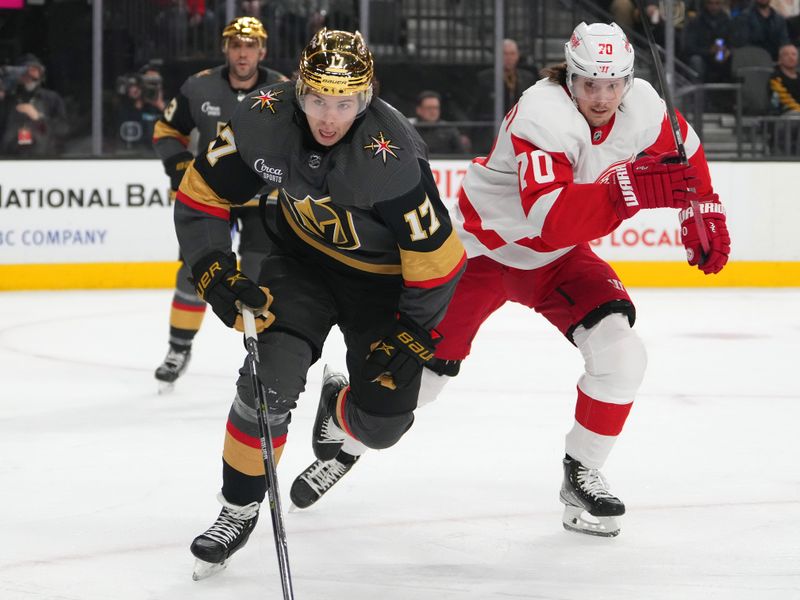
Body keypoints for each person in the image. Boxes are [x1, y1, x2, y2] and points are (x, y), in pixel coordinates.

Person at [290, 22, 731, 539]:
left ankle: (580, 474)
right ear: (570, 76)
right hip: (482, 252)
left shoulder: (645, 104)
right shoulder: (542, 111)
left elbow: (688, 149)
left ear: (628, 80)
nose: (603, 96)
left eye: (614, 84)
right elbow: (552, 218)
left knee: (622, 354)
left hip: (556, 260)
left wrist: (704, 207)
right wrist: (631, 190)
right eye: (590, 83)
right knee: (420, 385)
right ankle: (345, 431)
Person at [175, 28, 465, 578]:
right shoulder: (262, 116)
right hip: (301, 264)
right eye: (315, 100)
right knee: (268, 385)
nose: (328, 117)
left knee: (383, 424)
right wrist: (213, 268)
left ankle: (338, 410)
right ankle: (237, 507)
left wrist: (412, 329)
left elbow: (438, 258)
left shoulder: (393, 154)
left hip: (382, 286)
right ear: (297, 90)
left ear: (368, 96)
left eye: (345, 102)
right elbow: (201, 193)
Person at [152, 16, 288, 391]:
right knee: (194, 272)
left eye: (250, 46)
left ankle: (262, 355)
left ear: (262, 51)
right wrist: (180, 165)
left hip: (265, 198)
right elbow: (167, 130)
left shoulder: (283, 90)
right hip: (211, 195)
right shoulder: (198, 87)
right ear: (226, 50)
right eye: (236, 46)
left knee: (261, 274)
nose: (243, 54)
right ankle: (178, 349)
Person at [472, 38, 538, 152]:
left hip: (520, 132)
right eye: (505, 54)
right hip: (491, 132)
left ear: (518, 56)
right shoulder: (483, 78)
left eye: (512, 54)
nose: (509, 58)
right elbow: (474, 107)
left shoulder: (528, 78)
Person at [0, 55, 67, 156]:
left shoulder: (51, 99)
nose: (28, 76)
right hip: (9, 162)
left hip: (43, 161)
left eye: (33, 71)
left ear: (41, 74)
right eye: (23, 71)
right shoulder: (8, 100)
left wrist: (38, 117)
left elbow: (62, 131)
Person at [114, 63, 166, 154]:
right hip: (134, 156)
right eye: (147, 82)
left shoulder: (168, 108)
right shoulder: (125, 108)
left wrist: (161, 106)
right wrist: (138, 102)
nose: (150, 87)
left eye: (154, 83)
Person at [682, 0, 734, 85]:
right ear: (705, 4)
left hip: (723, 59)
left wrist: (727, 51)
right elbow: (689, 48)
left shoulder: (727, 21)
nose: (713, 7)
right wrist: (709, 51)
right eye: (710, 3)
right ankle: (698, 94)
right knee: (696, 61)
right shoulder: (696, 22)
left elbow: (734, 42)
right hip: (703, 59)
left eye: (717, 3)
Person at [408, 90, 470, 154]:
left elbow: (461, 156)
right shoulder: (410, 129)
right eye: (429, 108)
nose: (433, 111)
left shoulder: (449, 130)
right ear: (419, 110)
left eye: (436, 108)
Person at [770, 42, 800, 112]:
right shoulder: (775, 78)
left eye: (794, 54)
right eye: (786, 54)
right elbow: (784, 100)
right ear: (779, 60)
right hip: (784, 113)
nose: (791, 57)